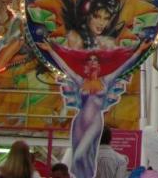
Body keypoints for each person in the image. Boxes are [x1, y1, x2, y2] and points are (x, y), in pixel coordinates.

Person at [38, 40, 151, 178]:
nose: (92, 62)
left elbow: (124, 67)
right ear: (87, 64)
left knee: (81, 156)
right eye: (90, 60)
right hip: (79, 122)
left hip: (95, 122)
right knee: (79, 159)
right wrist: (50, 50)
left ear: (99, 64)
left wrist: (139, 50)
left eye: (95, 60)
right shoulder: (81, 81)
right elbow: (65, 67)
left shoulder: (106, 81)